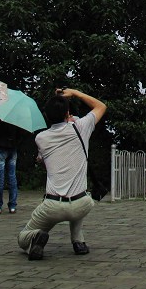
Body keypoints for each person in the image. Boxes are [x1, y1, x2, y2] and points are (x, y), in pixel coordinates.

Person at [17, 88, 106, 259]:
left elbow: (44, 162)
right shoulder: (80, 128)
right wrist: (75, 93)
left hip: (53, 207)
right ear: (67, 113)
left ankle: (36, 237)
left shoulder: (41, 138)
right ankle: (78, 241)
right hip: (82, 204)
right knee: (78, 193)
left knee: (23, 238)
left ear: (46, 116)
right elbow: (100, 106)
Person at [0, 114, 22, 214]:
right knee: (12, 176)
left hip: (0, 146)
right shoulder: (17, 115)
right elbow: (21, 132)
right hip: (13, 147)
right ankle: (12, 205)